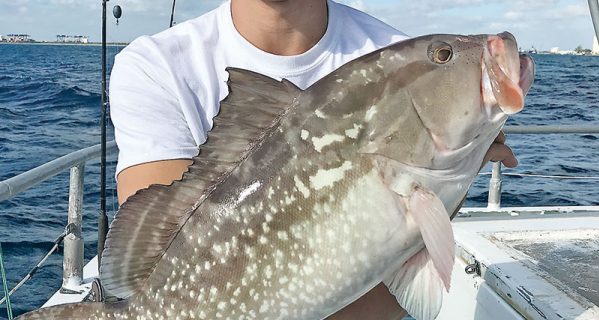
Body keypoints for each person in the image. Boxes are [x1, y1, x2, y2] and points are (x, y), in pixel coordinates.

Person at [109, 0, 518, 318]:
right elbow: (151, 265)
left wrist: (455, 176)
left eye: (441, 55)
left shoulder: (390, 49)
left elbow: (405, 291)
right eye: (443, 55)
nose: (453, 56)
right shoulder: (154, 65)